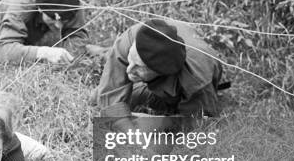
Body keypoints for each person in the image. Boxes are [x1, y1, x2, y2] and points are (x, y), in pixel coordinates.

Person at [96, 18, 224, 131]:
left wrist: (164, 123)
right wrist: (131, 132)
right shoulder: (131, 38)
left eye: (139, 67)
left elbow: (199, 123)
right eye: (131, 59)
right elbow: (111, 103)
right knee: (99, 98)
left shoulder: (196, 80)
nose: (129, 70)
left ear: (161, 73)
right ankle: (100, 52)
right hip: (155, 65)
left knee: (178, 115)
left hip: (192, 77)